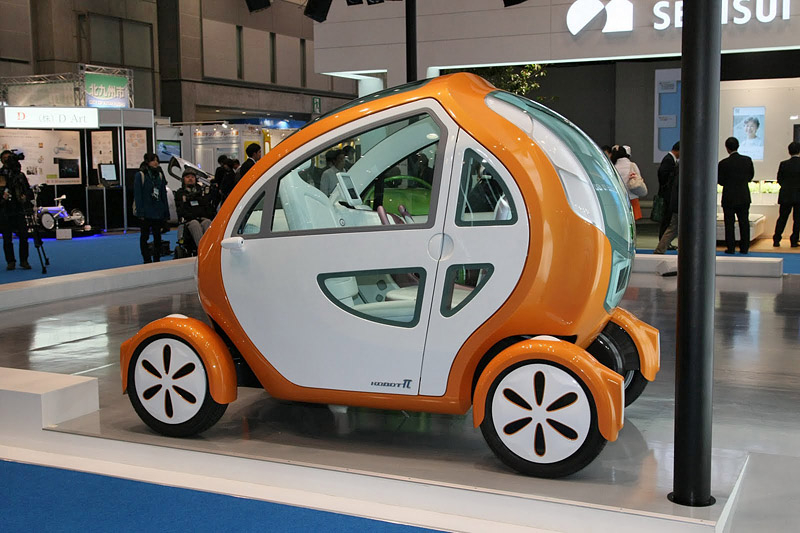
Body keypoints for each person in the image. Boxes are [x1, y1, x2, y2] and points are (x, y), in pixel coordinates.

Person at [718, 137, 754, 254]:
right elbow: (750, 176)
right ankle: (744, 248)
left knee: (729, 224)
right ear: (738, 146)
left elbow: (720, 181)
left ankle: (731, 247)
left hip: (728, 197)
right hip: (743, 196)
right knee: (744, 222)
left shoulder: (723, 163)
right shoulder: (747, 160)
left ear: (727, 148)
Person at [133, 153, 169, 264]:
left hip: (158, 212)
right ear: (147, 162)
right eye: (153, 160)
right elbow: (138, 195)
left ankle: (157, 259)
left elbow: (163, 195)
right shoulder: (140, 175)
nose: (156, 162)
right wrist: (140, 212)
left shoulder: (160, 175)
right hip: (145, 212)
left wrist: (166, 212)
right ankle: (147, 259)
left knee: (158, 237)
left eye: (157, 160)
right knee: (144, 237)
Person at [0, 150, 33, 270]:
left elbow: (29, 192)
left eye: (9, 157)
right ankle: (10, 261)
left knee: (24, 236)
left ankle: (24, 260)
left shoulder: (20, 175)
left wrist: (25, 197)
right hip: (5, 210)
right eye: (4, 158)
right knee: (7, 238)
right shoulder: (0, 174)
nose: (7, 160)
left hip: (19, 209)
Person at [174, 168, 215, 248]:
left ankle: (211, 247)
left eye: (192, 177)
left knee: (207, 222)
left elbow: (207, 207)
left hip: (202, 218)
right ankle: (201, 248)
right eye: (188, 177)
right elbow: (181, 210)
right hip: (189, 220)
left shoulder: (201, 192)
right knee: (195, 224)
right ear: (183, 179)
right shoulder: (180, 193)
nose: (190, 179)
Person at [653, 145, 681, 254]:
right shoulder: (669, 160)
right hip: (670, 198)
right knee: (670, 225)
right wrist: (666, 187)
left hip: (671, 198)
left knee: (671, 226)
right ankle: (661, 247)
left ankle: (661, 247)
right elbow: (663, 175)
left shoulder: (672, 161)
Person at [773, 141, 800, 247]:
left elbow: (779, 179)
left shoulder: (783, 164)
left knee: (782, 218)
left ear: (789, 151)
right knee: (797, 220)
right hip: (798, 195)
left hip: (785, 195)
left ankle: (776, 239)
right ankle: (794, 240)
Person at [610, 145, 645, 220]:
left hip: (619, 199)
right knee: (633, 221)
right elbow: (639, 178)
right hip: (633, 198)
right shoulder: (632, 165)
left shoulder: (613, 167)